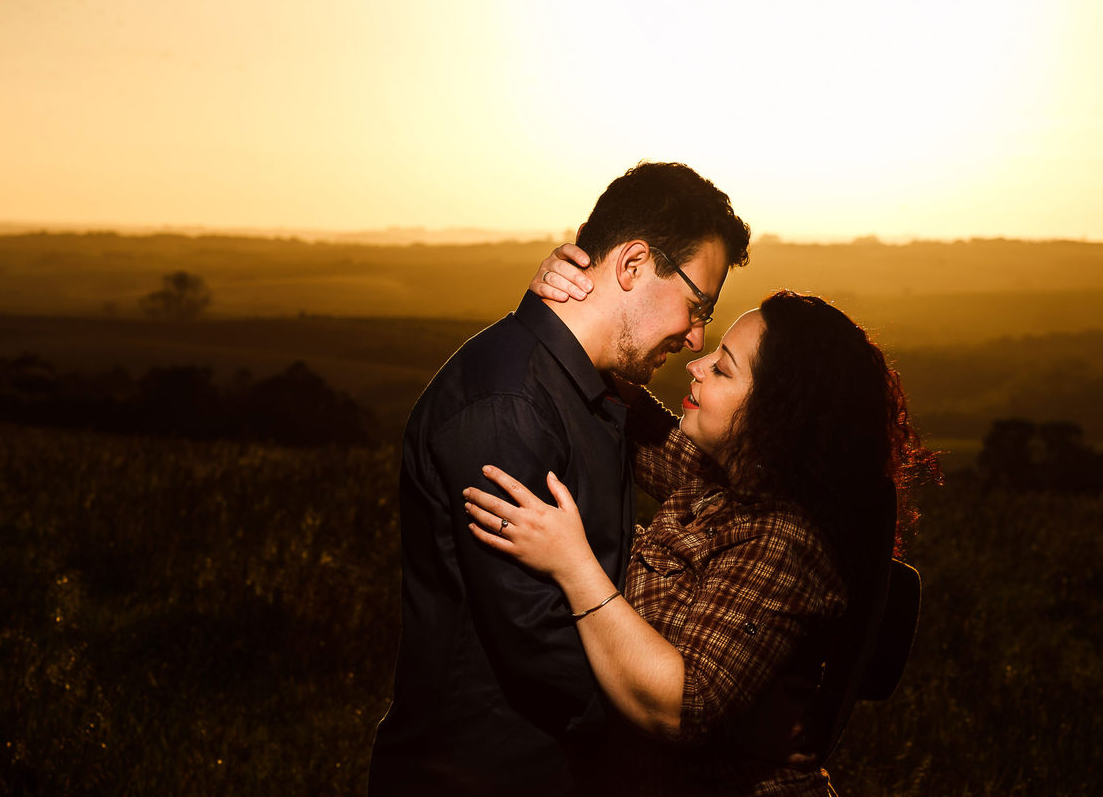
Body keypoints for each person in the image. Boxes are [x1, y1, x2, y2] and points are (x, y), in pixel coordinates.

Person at [463, 275, 938, 795]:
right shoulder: (724, 481)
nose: (696, 364)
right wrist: (567, 290)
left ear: (773, 414)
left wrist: (573, 564)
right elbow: (624, 404)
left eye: (723, 368)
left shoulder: (784, 540)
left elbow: (681, 707)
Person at [368, 162, 751, 796]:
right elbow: (540, 643)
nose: (695, 336)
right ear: (631, 265)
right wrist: (684, 723)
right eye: (697, 305)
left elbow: (717, 483)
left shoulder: (599, 391)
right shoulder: (509, 407)